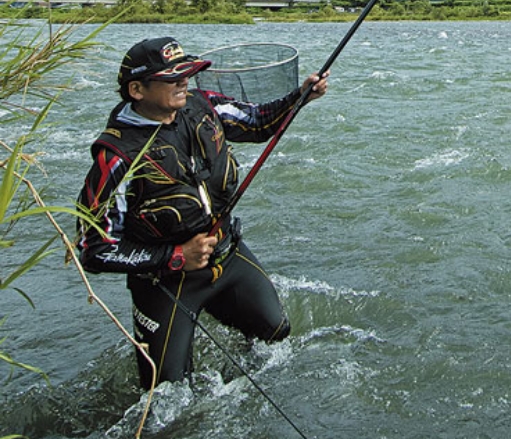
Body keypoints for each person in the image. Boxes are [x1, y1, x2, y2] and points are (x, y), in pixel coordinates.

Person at [77, 35, 329, 387]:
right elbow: (93, 249)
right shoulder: (116, 157)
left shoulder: (203, 105)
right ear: (137, 89)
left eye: (188, 73)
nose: (185, 82)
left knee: (276, 334)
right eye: (172, 78)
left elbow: (256, 121)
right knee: (166, 394)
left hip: (227, 254)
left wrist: (299, 98)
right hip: (164, 281)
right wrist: (175, 257)